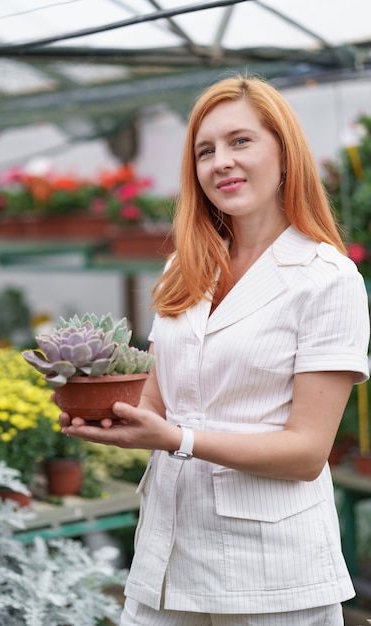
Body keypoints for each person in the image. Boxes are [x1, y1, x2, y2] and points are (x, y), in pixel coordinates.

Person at [58, 74, 370, 625]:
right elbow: (158, 401)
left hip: (271, 576)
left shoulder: (326, 278)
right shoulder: (187, 268)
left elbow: (306, 452)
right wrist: (102, 410)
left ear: (284, 151)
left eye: (240, 141)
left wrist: (176, 440)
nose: (220, 161)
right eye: (205, 150)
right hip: (165, 557)